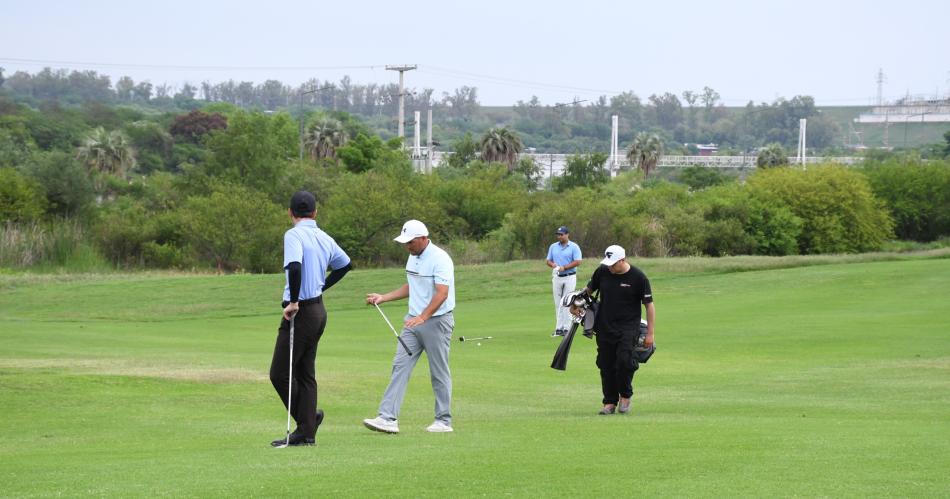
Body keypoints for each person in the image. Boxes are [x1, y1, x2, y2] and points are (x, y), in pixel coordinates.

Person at [269, 191, 352, 447]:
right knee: (305, 373)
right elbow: (345, 264)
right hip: (318, 310)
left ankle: (307, 423)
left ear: (290, 213)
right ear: (315, 213)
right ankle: (307, 431)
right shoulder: (323, 236)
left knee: (280, 373)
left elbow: (294, 266)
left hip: (301, 311)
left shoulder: (293, 235)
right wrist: (321, 286)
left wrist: (293, 302)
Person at [363, 219, 456, 434]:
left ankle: (443, 420)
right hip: (413, 321)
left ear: (423, 238)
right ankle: (387, 418)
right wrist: (383, 297)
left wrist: (424, 316)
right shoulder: (413, 257)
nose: (408, 246)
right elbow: (411, 286)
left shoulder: (440, 259)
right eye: (406, 243)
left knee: (439, 371)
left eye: (411, 242)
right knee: (399, 366)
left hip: (437, 321)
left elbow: (442, 293)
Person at [581, 245, 655, 415]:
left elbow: (649, 306)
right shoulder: (602, 271)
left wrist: (650, 333)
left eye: (613, 264)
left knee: (624, 361)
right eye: (608, 263)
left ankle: (625, 395)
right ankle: (609, 402)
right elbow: (589, 290)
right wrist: (576, 302)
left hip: (629, 327)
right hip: (604, 326)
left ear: (623, 260)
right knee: (605, 364)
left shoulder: (638, 278)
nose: (610, 267)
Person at [546, 226, 582, 337]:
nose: (559, 236)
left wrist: (564, 267)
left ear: (567, 235)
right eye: (558, 234)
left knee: (567, 302)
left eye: (561, 234)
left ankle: (566, 328)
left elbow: (578, 261)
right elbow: (548, 260)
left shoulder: (574, 246)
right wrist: (553, 265)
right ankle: (558, 328)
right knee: (558, 303)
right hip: (557, 276)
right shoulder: (553, 246)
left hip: (569, 276)